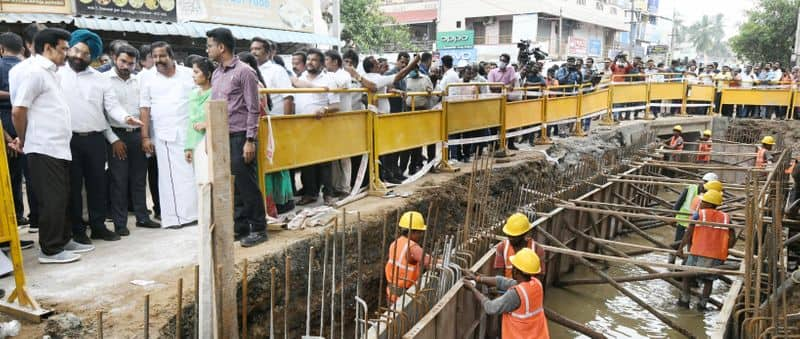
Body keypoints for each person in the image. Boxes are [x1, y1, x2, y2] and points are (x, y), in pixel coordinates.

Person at [11, 28, 98, 263]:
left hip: (59, 146)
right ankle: (50, 249)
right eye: (63, 49)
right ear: (47, 48)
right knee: (52, 199)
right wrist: (24, 138)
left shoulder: (53, 73)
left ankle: (63, 239)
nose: (67, 54)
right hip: (42, 146)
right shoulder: (35, 72)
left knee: (63, 196)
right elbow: (18, 110)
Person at [59, 29, 143, 243]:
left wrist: (126, 118)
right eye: (77, 50)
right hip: (69, 140)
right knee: (74, 187)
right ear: (70, 48)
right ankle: (78, 230)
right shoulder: (57, 75)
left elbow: (112, 106)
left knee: (98, 185)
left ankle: (98, 227)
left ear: (93, 57)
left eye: (86, 54)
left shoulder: (100, 79)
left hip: (96, 139)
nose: (79, 56)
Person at [205, 28, 269, 247]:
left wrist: (250, 140)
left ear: (221, 47)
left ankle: (259, 228)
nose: (208, 50)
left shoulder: (245, 72)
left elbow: (253, 108)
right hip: (223, 135)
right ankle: (240, 227)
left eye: (210, 45)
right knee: (236, 184)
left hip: (242, 136)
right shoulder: (217, 73)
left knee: (247, 184)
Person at [140, 41, 198, 229]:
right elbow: (144, 109)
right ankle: (174, 219)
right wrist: (145, 137)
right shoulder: (147, 78)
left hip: (192, 133)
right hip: (165, 135)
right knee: (169, 179)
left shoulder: (189, 74)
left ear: (171, 56)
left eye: (162, 56)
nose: (158, 60)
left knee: (191, 176)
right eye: (155, 56)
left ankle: (194, 214)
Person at [105, 43, 161, 235]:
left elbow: (145, 111)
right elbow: (101, 114)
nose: (126, 66)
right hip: (116, 135)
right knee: (119, 181)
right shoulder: (104, 80)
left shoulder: (139, 81)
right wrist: (113, 139)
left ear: (135, 64)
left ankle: (142, 218)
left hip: (138, 135)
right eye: (122, 61)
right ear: (115, 59)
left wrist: (145, 137)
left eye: (130, 63)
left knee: (139, 180)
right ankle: (120, 224)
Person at [8, 23, 46, 233]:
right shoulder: (23, 70)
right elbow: (18, 108)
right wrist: (23, 136)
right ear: (28, 45)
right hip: (30, 133)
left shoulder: (54, 67)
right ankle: (39, 222)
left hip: (43, 135)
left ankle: (39, 221)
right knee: (35, 180)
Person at [462, 248, 550, 339]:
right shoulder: (536, 284)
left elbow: (490, 307)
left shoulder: (515, 295)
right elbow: (503, 282)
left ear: (516, 271)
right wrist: (477, 278)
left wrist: (472, 288)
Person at [294, 48, 341, 206]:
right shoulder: (301, 78)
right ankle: (310, 193)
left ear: (321, 63)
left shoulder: (328, 80)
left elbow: (336, 105)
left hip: (321, 125)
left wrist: (324, 109)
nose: (310, 62)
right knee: (306, 161)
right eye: (308, 59)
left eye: (314, 60)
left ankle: (328, 193)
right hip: (302, 125)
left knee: (324, 161)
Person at [676, 189, 733, 310]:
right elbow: (732, 237)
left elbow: (688, 234)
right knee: (708, 280)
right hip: (717, 255)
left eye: (703, 202)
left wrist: (680, 249)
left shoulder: (699, 215)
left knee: (687, 275)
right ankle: (702, 304)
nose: (700, 204)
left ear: (709, 204)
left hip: (699, 252)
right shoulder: (726, 217)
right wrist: (726, 249)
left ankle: (685, 300)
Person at [0, 32, 28, 226]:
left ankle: (15, 217)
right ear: (22, 49)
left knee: (10, 175)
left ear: (1, 49)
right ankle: (23, 215)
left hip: (6, 123)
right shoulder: (28, 67)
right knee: (25, 172)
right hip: (28, 121)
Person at [385, 211, 434, 303]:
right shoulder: (412, 247)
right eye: (419, 232)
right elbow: (430, 262)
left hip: (391, 292)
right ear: (411, 232)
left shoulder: (395, 243)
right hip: (404, 296)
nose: (421, 235)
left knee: (393, 315)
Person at [670, 172, 718, 264]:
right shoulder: (690, 189)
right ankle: (671, 263)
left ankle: (686, 264)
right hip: (683, 221)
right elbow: (677, 205)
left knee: (692, 246)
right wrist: (674, 218)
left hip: (697, 224)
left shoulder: (711, 194)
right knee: (677, 244)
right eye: (705, 182)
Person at [494, 213, 545, 279]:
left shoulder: (537, 250)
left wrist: (522, 288)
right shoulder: (502, 248)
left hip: (528, 288)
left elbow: (540, 277)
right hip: (506, 288)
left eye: (514, 236)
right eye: (509, 235)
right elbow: (499, 276)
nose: (510, 239)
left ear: (524, 233)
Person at [252, 38, 294, 116]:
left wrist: (286, 122)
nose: (253, 52)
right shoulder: (250, 70)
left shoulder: (277, 70)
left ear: (268, 52)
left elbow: (288, 98)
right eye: (252, 49)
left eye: (257, 49)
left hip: (275, 120)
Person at [183, 56, 213, 165]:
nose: (193, 75)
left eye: (196, 72)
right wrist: (188, 147)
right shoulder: (193, 94)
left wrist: (208, 124)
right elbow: (191, 122)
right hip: (195, 144)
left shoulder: (216, 93)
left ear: (208, 75)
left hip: (211, 143)